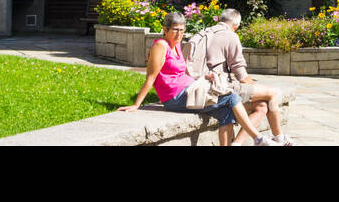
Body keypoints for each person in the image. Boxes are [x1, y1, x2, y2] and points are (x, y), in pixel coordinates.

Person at [117, 11, 273, 146]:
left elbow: (185, 73)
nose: (179, 34)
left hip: (189, 90)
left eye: (182, 30)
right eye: (175, 30)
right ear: (165, 29)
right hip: (175, 98)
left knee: (227, 112)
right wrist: (136, 105)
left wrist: (206, 76)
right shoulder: (161, 46)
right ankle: (258, 138)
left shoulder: (177, 44)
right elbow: (151, 77)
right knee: (231, 97)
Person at [205, 8, 294, 146]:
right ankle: (279, 138)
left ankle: (237, 143)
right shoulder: (230, 35)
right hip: (218, 86)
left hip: (201, 86)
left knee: (262, 106)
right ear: (237, 26)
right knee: (272, 93)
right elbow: (241, 75)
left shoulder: (205, 32)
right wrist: (255, 86)